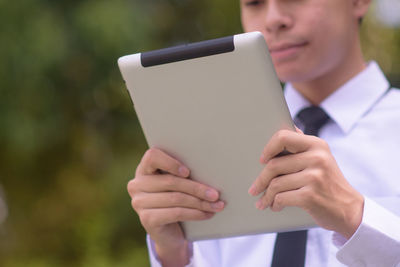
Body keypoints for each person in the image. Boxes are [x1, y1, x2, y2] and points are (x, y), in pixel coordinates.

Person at [127, 0, 400, 266]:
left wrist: (354, 216)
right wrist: (173, 254)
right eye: (254, 3)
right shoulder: (218, 138)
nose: (273, 19)